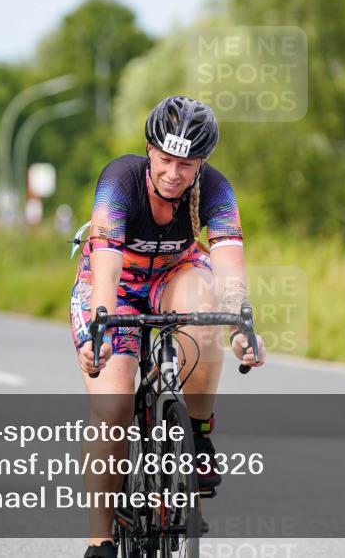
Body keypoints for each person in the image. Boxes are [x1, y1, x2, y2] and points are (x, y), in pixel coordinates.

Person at [71, 96, 265, 558]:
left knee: (206, 310)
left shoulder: (216, 189)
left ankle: (195, 432)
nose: (174, 174)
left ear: (201, 164)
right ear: (149, 150)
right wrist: (101, 327)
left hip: (174, 274)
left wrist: (241, 324)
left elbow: (228, 266)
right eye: (165, 160)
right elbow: (106, 269)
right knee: (113, 408)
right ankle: (100, 540)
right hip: (114, 284)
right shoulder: (119, 181)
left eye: (187, 164)